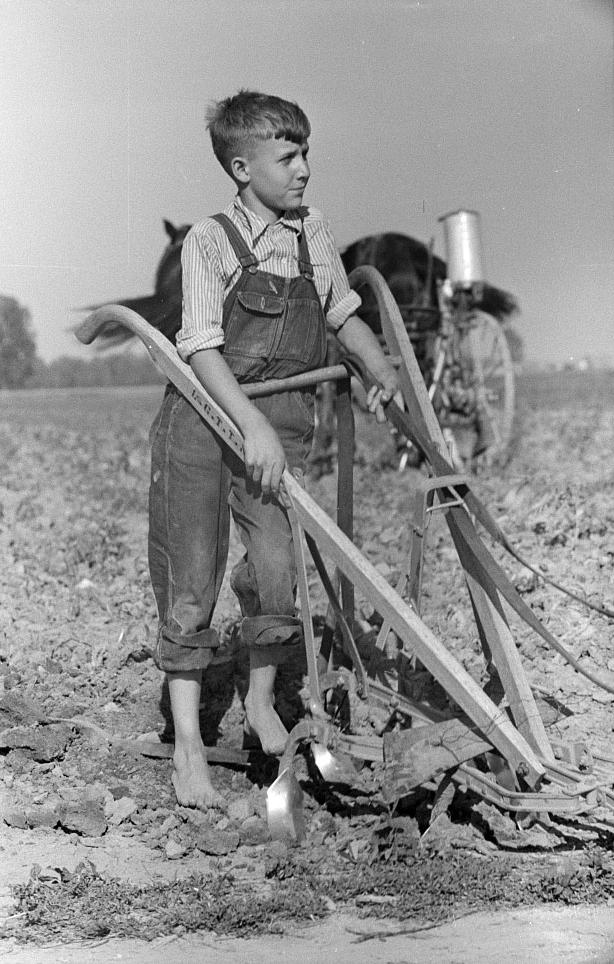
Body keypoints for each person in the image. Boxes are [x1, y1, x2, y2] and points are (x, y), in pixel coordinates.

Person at [148, 90, 400, 809]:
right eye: (287, 157)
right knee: (191, 581)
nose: (303, 170)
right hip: (205, 416)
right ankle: (190, 749)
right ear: (240, 166)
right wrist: (248, 427)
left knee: (276, 568)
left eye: (306, 153)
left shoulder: (310, 232)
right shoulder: (208, 240)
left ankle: (261, 701)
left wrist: (378, 370)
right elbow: (198, 345)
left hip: (280, 416)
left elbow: (340, 310)